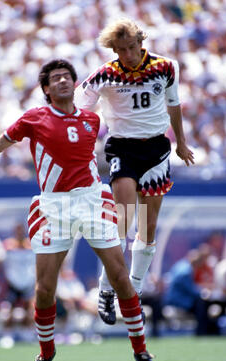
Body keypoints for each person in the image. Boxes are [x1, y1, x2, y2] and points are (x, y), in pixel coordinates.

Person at [0, 59, 154, 361]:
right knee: (44, 289)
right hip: (53, 205)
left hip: (91, 199)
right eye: (55, 79)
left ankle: (140, 349)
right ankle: (46, 352)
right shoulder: (34, 118)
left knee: (119, 276)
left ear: (74, 83)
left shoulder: (92, 119)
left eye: (67, 77)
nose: (63, 81)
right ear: (46, 89)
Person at [75, 17, 194, 325]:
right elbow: (78, 108)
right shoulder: (105, 75)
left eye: (130, 47)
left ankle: (135, 291)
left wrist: (181, 142)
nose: (126, 55)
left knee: (148, 226)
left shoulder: (166, 67)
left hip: (156, 149)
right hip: (122, 148)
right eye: (120, 50)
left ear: (141, 42)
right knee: (123, 221)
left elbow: (174, 105)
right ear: (113, 50)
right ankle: (106, 289)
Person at [3, 222, 36, 328]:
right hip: (13, 282)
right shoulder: (9, 244)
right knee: (10, 310)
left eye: (21, 229)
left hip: (27, 282)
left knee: (28, 309)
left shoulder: (30, 244)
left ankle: (26, 333)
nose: (19, 232)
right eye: (17, 230)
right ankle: (7, 333)